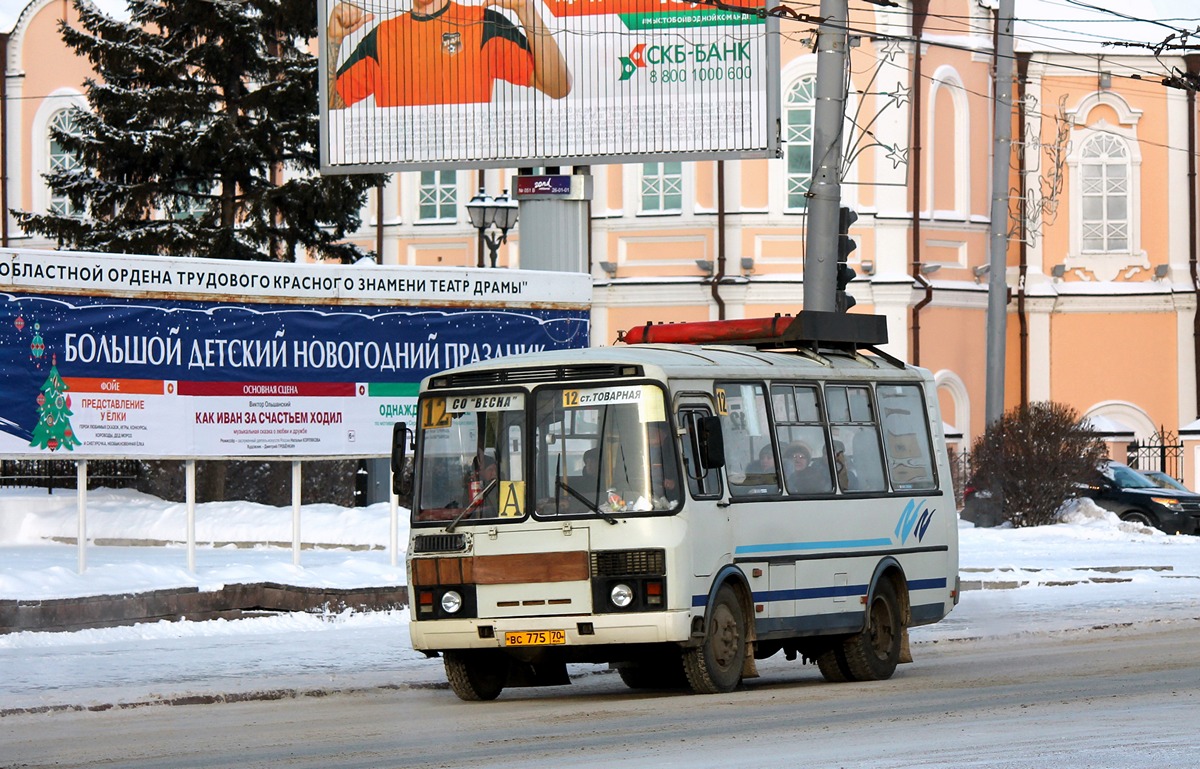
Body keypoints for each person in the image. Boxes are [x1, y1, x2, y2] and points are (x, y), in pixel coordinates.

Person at [326, 0, 572, 109]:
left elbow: (557, 87)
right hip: (404, 168)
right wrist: (332, 40)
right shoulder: (381, 37)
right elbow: (331, 107)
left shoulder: (483, 23)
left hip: (467, 164)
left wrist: (525, 9)